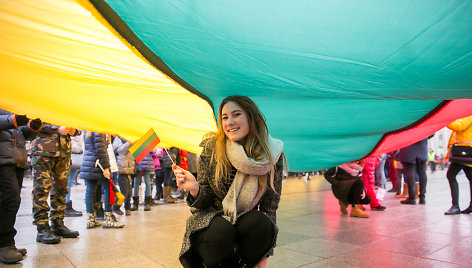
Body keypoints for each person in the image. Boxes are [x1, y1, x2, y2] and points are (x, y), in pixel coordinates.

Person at [173, 95, 284, 268]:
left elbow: (270, 207)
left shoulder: (271, 153)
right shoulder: (212, 147)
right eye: (224, 117)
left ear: (251, 117)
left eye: (236, 114)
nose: (229, 122)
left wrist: (264, 254)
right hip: (212, 220)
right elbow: (202, 205)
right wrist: (195, 188)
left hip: (245, 219)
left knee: (262, 224)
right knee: (221, 232)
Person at [0, 110, 42, 264]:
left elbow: (23, 134)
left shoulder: (12, 104)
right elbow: (10, 123)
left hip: (16, 160)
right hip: (3, 160)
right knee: (9, 200)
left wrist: (32, 127)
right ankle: (5, 244)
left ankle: (7, 242)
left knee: (11, 201)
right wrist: (14, 120)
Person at [31, 123, 80, 244]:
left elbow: (80, 125)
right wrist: (56, 129)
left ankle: (58, 224)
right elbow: (33, 123)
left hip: (63, 152)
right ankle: (42, 228)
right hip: (44, 151)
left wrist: (75, 131)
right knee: (41, 189)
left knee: (61, 189)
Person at [80, 131, 124, 228]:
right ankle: (108, 218)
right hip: (98, 164)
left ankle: (91, 219)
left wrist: (110, 137)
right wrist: (106, 168)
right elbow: (101, 150)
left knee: (90, 191)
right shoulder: (98, 131)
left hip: (90, 163)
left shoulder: (88, 130)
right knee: (109, 188)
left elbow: (103, 145)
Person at [444, 116, 472, 215]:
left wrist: (444, 120)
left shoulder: (469, 115)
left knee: (450, 175)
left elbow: (458, 126)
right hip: (465, 152)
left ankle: (455, 206)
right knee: (470, 178)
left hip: (463, 152)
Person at [399, 138, 428, 205]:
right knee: (422, 172)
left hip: (407, 147)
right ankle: (422, 198)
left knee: (410, 172)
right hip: (421, 148)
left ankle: (412, 198)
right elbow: (431, 133)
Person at [113, 137, 136, 215]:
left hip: (130, 169)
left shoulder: (129, 140)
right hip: (122, 170)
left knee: (129, 191)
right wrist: (130, 142)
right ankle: (116, 206)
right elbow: (121, 150)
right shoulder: (118, 139)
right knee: (124, 191)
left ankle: (127, 207)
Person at [64, 131, 83, 217]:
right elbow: (71, 143)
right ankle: (66, 205)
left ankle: (67, 204)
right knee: (67, 182)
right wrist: (79, 149)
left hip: (76, 157)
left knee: (70, 182)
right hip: (71, 156)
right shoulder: (70, 128)